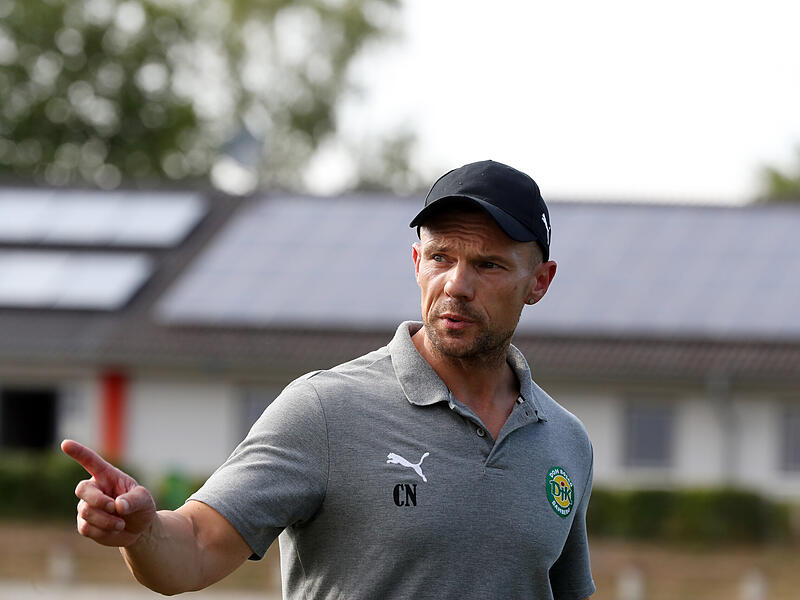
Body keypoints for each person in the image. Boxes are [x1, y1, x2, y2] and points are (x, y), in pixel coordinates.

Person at [63, 159, 595, 599]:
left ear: (539, 282)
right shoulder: (324, 409)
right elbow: (197, 548)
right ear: (416, 262)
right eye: (440, 257)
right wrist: (145, 532)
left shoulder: (564, 441)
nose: (456, 284)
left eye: (489, 266)